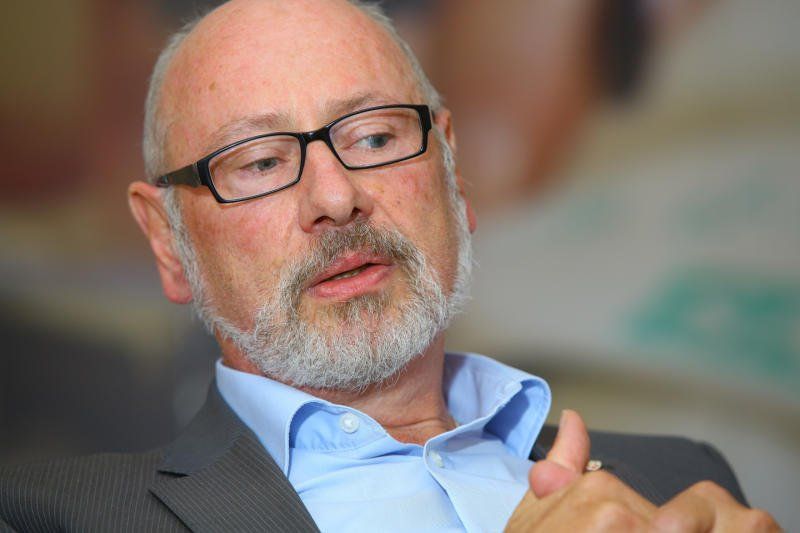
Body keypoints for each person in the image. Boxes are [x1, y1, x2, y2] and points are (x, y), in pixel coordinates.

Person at [0, 0, 781, 531]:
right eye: (261, 161)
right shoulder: (52, 516)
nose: (336, 198)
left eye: (374, 138)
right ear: (169, 243)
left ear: (452, 175)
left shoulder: (678, 475)